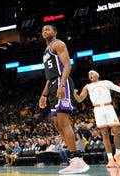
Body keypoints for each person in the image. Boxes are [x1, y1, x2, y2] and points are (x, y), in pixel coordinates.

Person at [38, 24, 89, 174]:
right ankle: (73, 159)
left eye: (47, 29)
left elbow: (67, 65)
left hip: (62, 82)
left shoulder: (58, 44)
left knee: (63, 121)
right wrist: (44, 94)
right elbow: (49, 77)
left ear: (55, 32)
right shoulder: (46, 51)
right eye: (42, 30)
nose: (44, 31)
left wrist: (61, 84)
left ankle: (77, 158)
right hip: (53, 83)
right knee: (57, 124)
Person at [73, 70, 120, 167]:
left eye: (92, 73)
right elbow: (80, 99)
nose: (90, 75)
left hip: (108, 107)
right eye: (89, 75)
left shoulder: (106, 82)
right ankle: (110, 159)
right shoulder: (87, 86)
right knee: (104, 134)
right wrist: (75, 94)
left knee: (117, 132)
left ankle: (118, 156)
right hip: (98, 109)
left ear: (97, 75)